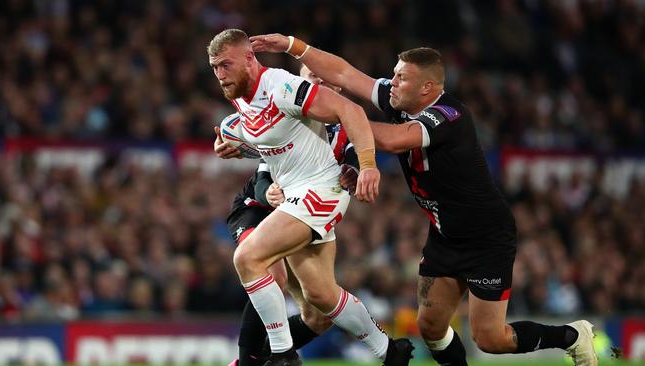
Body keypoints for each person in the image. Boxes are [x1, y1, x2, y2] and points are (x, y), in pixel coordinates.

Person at [249, 34, 598, 366]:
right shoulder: (400, 98)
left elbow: (395, 140)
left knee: (490, 338)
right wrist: (294, 46)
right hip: (444, 234)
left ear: (426, 88)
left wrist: (339, 115)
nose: (391, 83)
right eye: (395, 75)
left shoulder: (448, 116)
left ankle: (571, 336)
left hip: (485, 237)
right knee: (430, 326)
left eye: (401, 79)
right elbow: (343, 73)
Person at [208, 29, 413, 366]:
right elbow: (273, 139)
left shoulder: (284, 87)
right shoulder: (241, 94)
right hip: (294, 196)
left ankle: (280, 356)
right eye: (215, 67)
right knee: (320, 299)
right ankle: (391, 353)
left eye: (225, 65)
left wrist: (366, 165)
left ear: (249, 58)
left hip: (319, 192)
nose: (220, 74)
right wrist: (236, 145)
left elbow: (352, 112)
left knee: (249, 258)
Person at [220, 66, 360, 366]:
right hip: (256, 209)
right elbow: (260, 177)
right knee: (272, 273)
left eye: (325, 78)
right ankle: (249, 361)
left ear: (337, 88)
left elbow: (355, 159)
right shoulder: (287, 113)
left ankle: (262, 359)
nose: (319, 83)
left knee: (319, 317)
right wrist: (266, 190)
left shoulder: (345, 131)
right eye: (311, 78)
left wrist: (359, 170)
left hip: (299, 218)